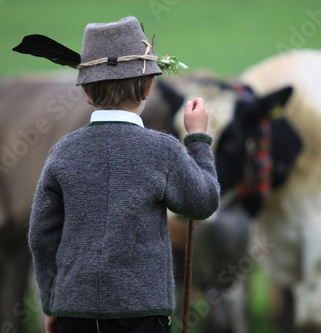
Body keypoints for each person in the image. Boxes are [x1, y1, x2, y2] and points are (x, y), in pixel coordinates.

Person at [28, 16, 220, 333]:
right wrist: (197, 138)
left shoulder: (63, 152)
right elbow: (203, 202)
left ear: (87, 92)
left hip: (74, 312)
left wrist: (52, 302)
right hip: (144, 313)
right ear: (148, 86)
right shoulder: (164, 151)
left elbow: (41, 237)